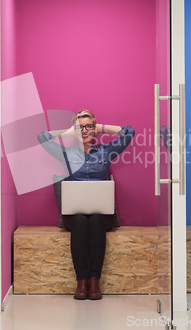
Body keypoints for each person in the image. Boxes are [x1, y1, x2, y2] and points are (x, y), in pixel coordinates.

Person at [38, 109, 134, 300]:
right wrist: (69, 131)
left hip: (102, 216)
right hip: (75, 217)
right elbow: (42, 137)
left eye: (88, 126)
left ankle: (94, 281)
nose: (84, 130)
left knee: (96, 220)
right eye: (80, 127)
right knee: (81, 221)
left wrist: (100, 127)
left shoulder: (106, 151)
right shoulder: (66, 154)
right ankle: (81, 281)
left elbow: (128, 132)